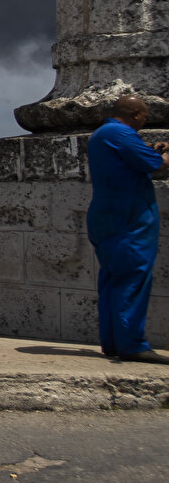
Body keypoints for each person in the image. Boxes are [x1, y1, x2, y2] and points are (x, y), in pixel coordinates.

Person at [86, 95, 169, 364]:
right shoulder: (122, 133)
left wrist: (151, 152)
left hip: (107, 214)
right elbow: (155, 164)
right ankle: (132, 344)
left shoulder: (102, 134)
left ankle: (112, 341)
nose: (146, 119)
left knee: (112, 279)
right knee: (134, 277)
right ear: (135, 114)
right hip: (129, 218)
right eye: (144, 114)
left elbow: (132, 160)